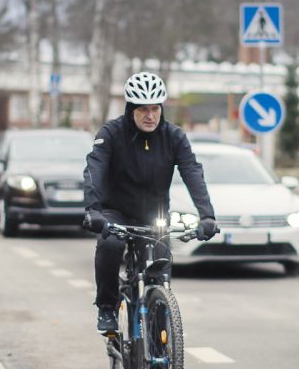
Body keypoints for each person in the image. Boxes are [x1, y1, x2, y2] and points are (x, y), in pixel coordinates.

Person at [83, 71, 218, 334]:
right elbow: (94, 169)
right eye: (143, 109)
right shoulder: (111, 134)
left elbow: (192, 172)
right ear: (130, 109)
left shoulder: (174, 137)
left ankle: (159, 347)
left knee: (159, 276)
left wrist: (207, 216)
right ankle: (107, 307)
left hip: (154, 216)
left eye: (155, 108)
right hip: (116, 212)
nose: (150, 115)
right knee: (110, 245)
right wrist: (93, 210)